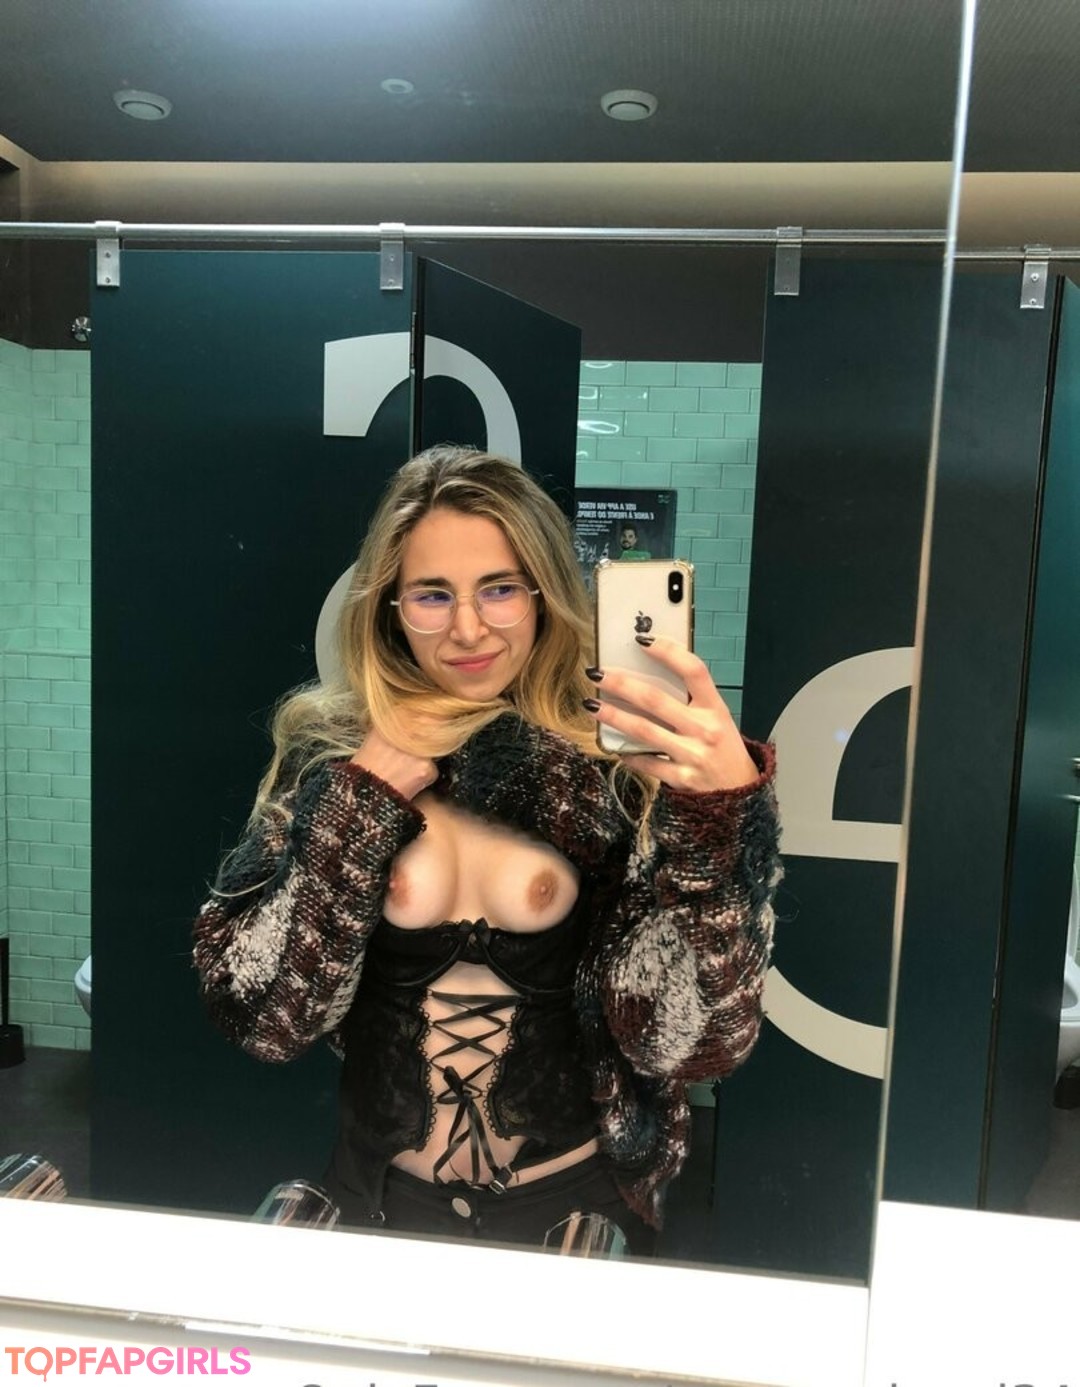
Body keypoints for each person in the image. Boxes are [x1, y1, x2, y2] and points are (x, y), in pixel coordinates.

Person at [192, 445, 780, 1255]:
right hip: (375, 1197)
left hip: (573, 1207)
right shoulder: (336, 756)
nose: (468, 628)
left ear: (545, 594)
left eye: (500, 588)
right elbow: (262, 1018)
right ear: (390, 606)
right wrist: (358, 807)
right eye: (433, 594)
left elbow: (695, 1043)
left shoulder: (616, 769)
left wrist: (719, 830)